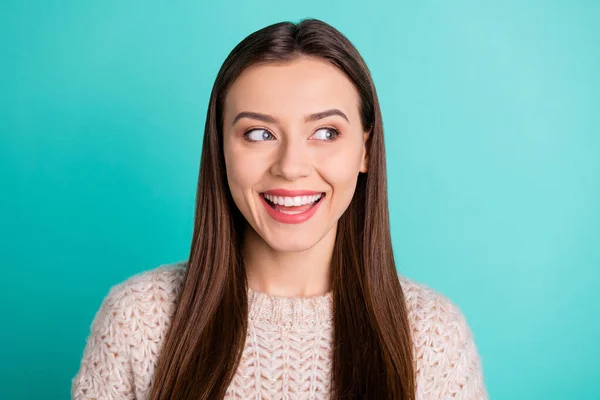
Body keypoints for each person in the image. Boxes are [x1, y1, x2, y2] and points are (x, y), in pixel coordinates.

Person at [72, 18, 487, 400]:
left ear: (366, 149)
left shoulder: (432, 336)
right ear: (220, 149)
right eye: (259, 133)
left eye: (326, 132)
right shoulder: (137, 321)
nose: (290, 167)